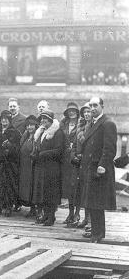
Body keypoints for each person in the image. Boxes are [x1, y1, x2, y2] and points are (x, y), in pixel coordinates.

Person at [81, 97, 117, 243]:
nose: (92, 108)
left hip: (100, 169)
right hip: (91, 168)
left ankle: (98, 234)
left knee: (97, 204)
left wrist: (102, 165)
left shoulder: (107, 123)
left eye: (95, 105)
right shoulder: (93, 123)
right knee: (91, 203)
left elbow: (109, 148)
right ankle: (95, 231)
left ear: (102, 106)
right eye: (90, 105)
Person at [31, 110, 64, 226]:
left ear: (50, 120)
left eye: (45, 118)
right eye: (41, 119)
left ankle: (51, 217)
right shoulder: (42, 132)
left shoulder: (57, 132)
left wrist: (43, 154)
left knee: (51, 192)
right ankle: (45, 215)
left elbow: (59, 151)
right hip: (42, 166)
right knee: (44, 192)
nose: (42, 121)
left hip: (52, 168)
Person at [0, 110, 21, 217]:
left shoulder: (14, 132)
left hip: (10, 164)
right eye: (2, 119)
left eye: (6, 119)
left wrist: (10, 146)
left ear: (9, 121)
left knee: (9, 186)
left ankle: (8, 207)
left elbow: (17, 148)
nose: (4, 121)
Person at [71, 102, 92, 229]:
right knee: (80, 191)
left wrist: (84, 157)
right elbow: (74, 145)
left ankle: (89, 220)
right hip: (78, 165)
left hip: (88, 164)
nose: (86, 114)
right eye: (84, 112)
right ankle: (83, 218)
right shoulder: (80, 127)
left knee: (89, 192)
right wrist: (73, 156)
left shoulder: (94, 127)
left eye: (88, 111)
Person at [60, 102, 80, 226]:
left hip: (76, 160)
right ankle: (70, 212)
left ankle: (77, 213)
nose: (71, 112)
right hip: (65, 160)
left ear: (77, 112)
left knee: (76, 187)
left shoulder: (81, 124)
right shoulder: (64, 124)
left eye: (73, 110)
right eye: (69, 111)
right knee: (68, 187)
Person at [18, 115, 39, 218]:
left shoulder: (37, 136)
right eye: (28, 125)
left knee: (33, 187)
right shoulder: (25, 136)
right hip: (24, 166)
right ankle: (30, 206)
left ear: (36, 126)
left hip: (33, 167)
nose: (29, 127)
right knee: (26, 187)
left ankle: (34, 209)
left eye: (32, 125)